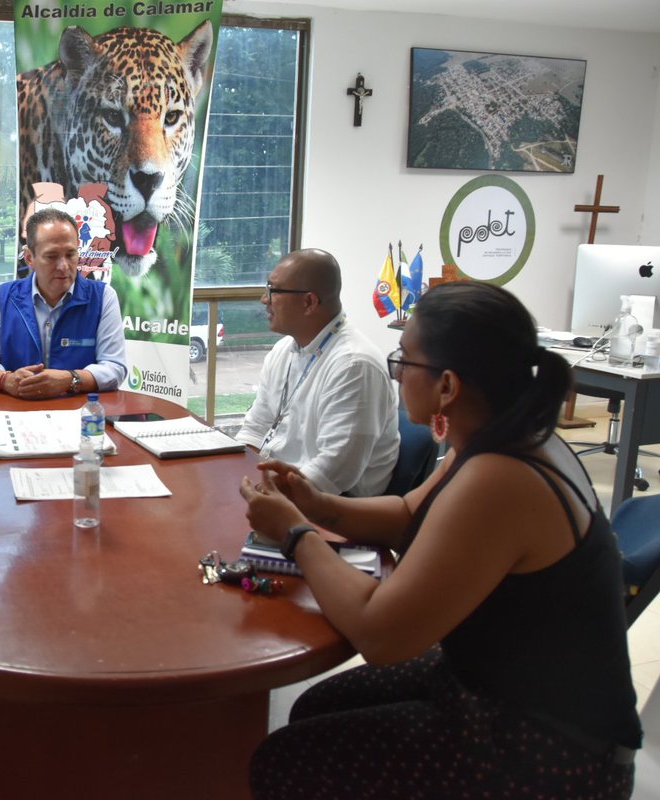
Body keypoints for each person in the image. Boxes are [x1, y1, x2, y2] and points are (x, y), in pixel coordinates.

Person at [239, 282, 640, 799]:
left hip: (553, 748)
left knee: (286, 761)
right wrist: (319, 504)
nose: (398, 373)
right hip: (493, 681)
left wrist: (296, 534)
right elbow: (411, 512)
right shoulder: (501, 434)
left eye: (404, 361)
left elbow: (381, 636)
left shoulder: (501, 479)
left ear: (447, 385)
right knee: (316, 708)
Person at [235, 248, 399, 497]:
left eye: (273, 290)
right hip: (280, 487)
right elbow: (256, 428)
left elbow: (332, 473)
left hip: (331, 504)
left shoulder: (355, 366)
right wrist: (236, 473)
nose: (264, 299)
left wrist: (259, 491)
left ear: (309, 302)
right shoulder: (284, 350)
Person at [0, 207, 127, 400]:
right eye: (52, 256)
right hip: (17, 414)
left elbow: (115, 367)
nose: (63, 266)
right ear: (30, 258)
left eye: (71, 254)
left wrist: (70, 380)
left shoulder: (102, 298)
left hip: (79, 417)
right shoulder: (3, 297)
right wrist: (5, 380)